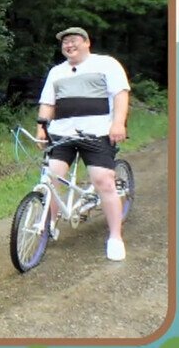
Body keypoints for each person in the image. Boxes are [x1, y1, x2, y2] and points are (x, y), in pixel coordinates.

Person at [37, 27, 130, 261]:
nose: (69, 45)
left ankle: (115, 238)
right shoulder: (56, 72)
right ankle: (49, 226)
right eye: (65, 42)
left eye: (73, 40)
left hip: (97, 132)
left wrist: (118, 123)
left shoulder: (106, 64)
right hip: (62, 133)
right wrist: (41, 128)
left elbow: (120, 94)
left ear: (87, 42)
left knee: (103, 181)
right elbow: (48, 103)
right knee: (50, 179)